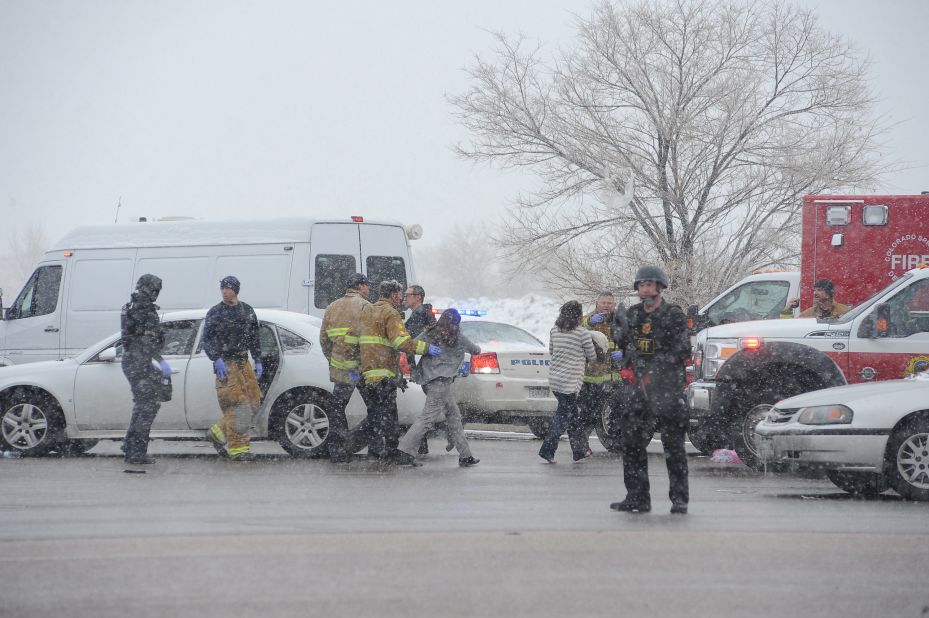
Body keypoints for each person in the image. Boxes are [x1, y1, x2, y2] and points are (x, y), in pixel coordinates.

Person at [611, 265, 691, 514]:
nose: (645, 289)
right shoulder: (633, 314)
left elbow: (683, 350)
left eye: (649, 284)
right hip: (638, 391)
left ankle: (679, 499)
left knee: (673, 447)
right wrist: (619, 334)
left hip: (667, 390)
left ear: (659, 287)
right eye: (641, 285)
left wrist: (656, 370)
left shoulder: (673, 315)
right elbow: (623, 345)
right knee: (632, 444)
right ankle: (637, 497)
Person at [355, 279, 442, 464]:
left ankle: (374, 451)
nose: (401, 298)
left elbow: (356, 340)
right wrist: (426, 348)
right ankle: (392, 452)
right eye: (400, 295)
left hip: (367, 373)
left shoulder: (367, 310)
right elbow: (401, 342)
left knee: (375, 415)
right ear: (393, 294)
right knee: (389, 416)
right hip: (384, 373)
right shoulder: (391, 313)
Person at [398, 309, 482, 466]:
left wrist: (427, 348)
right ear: (457, 323)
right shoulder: (458, 337)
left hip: (428, 380)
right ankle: (405, 452)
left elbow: (411, 345)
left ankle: (465, 455)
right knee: (427, 418)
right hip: (441, 383)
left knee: (453, 415)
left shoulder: (430, 333)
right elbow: (476, 350)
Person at [202, 276, 263, 461]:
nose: (225, 291)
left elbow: (254, 337)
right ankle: (239, 451)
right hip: (226, 366)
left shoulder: (247, 310)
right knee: (238, 408)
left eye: (228, 288)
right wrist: (216, 358)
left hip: (244, 364)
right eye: (223, 288)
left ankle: (218, 432)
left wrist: (258, 359)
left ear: (236, 290)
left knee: (253, 402)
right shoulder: (215, 312)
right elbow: (207, 339)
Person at [538, 300, 599, 464]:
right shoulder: (582, 333)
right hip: (570, 382)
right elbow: (592, 357)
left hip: (556, 380)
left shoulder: (554, 330)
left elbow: (552, 351)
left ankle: (580, 451)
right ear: (578, 316)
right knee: (563, 418)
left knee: (572, 417)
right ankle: (547, 450)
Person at [319, 273, 371, 463]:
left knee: (337, 409)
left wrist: (333, 360)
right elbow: (370, 341)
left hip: (340, 369)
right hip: (362, 369)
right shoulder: (365, 306)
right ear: (360, 286)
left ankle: (337, 449)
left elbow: (324, 339)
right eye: (367, 286)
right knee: (376, 408)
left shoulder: (332, 307)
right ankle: (365, 444)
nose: (369, 289)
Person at [120, 274, 171, 465]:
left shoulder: (131, 306)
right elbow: (149, 340)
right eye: (156, 290)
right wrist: (159, 358)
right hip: (140, 361)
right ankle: (136, 452)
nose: (156, 294)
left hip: (133, 359)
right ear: (149, 288)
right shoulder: (144, 309)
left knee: (142, 404)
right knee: (147, 406)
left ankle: (130, 445)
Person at [578, 292, 625, 452]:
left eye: (610, 303)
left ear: (614, 304)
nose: (607, 306)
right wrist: (590, 323)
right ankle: (581, 445)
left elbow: (630, 340)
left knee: (617, 410)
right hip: (593, 376)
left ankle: (616, 442)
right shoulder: (587, 319)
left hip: (615, 375)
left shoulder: (620, 320)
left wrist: (624, 353)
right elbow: (577, 331)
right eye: (604, 303)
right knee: (589, 413)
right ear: (597, 303)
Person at [403, 284, 442, 455]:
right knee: (427, 408)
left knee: (423, 409)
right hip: (423, 367)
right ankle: (423, 442)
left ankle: (418, 443)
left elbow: (411, 340)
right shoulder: (421, 314)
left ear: (418, 297)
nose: (405, 297)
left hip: (421, 367)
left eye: (408, 295)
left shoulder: (421, 315)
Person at [781, 279, 850, 319]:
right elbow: (791, 327)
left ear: (829, 293)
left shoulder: (844, 311)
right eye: (814, 290)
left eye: (819, 290)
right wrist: (787, 310)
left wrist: (839, 321)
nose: (815, 293)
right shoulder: (809, 313)